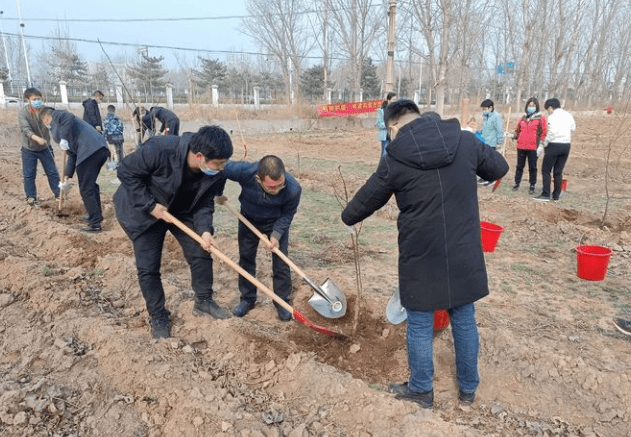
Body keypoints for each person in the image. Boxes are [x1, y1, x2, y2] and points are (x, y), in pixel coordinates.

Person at [341, 100, 508, 409]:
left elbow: (369, 197)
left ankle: (421, 390)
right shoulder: (465, 140)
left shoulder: (395, 157)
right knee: (464, 317)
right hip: (463, 249)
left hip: (421, 253)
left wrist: (347, 216)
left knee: (419, 322)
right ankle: (468, 389)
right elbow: (499, 168)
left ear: (393, 127)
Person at [113, 126, 234, 339]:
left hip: (181, 208)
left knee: (201, 252)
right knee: (148, 267)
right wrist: (150, 206)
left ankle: (204, 301)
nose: (222, 168)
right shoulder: (160, 149)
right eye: (218, 163)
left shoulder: (215, 173)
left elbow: (205, 202)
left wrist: (205, 231)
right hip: (143, 210)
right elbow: (125, 171)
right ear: (200, 157)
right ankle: (158, 315)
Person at [218, 155, 301, 321]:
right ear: (258, 179)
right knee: (246, 259)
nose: (276, 191)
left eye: (280, 186)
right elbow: (219, 169)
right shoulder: (244, 171)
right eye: (271, 188)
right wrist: (218, 193)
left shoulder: (293, 189)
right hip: (248, 219)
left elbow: (288, 215)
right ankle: (247, 299)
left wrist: (276, 235)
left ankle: (281, 302)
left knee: (281, 262)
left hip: (275, 222)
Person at [40, 107, 110, 232]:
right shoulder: (60, 129)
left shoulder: (58, 115)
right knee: (90, 186)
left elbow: (68, 116)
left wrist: (64, 138)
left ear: (46, 119)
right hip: (98, 149)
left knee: (86, 188)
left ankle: (95, 224)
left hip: (90, 150)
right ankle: (95, 216)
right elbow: (72, 154)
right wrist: (66, 177)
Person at [17, 88, 60, 206]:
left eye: (39, 99)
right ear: (28, 100)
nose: (37, 101)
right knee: (29, 174)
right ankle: (31, 198)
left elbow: (55, 124)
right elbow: (26, 130)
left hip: (45, 148)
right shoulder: (23, 113)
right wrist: (38, 139)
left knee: (52, 172)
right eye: (34, 99)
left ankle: (59, 195)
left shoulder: (46, 111)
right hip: (29, 149)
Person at [534, 98, 576, 201]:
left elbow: (552, 133)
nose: (547, 111)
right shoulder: (568, 115)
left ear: (550, 107)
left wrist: (545, 142)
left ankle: (545, 194)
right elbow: (573, 128)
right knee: (558, 171)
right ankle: (556, 195)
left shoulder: (552, 117)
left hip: (554, 145)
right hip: (566, 145)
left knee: (546, 170)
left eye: (547, 109)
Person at [510, 97, 548, 195]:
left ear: (537, 107)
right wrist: (513, 135)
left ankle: (532, 185)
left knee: (533, 167)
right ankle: (517, 183)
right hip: (521, 146)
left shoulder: (540, 119)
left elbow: (543, 132)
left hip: (533, 147)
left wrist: (541, 145)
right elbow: (518, 130)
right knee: (519, 166)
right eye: (530, 105)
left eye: (533, 106)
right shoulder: (523, 118)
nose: (531, 107)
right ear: (527, 106)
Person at [477, 99, 503, 185]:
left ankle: (492, 178)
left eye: (485, 108)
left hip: (492, 142)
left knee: (490, 162)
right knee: (484, 161)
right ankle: (484, 177)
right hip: (485, 141)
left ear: (490, 107)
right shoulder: (486, 116)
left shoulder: (496, 117)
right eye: (483, 109)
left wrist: (499, 142)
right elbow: (486, 128)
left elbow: (499, 130)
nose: (484, 110)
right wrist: (479, 132)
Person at [376, 92, 397, 157]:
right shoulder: (382, 111)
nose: (395, 101)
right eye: (393, 100)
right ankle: (384, 167)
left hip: (395, 136)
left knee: (394, 155)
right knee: (385, 154)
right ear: (388, 100)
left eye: (395, 100)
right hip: (385, 136)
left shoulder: (397, 110)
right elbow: (379, 124)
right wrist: (388, 125)